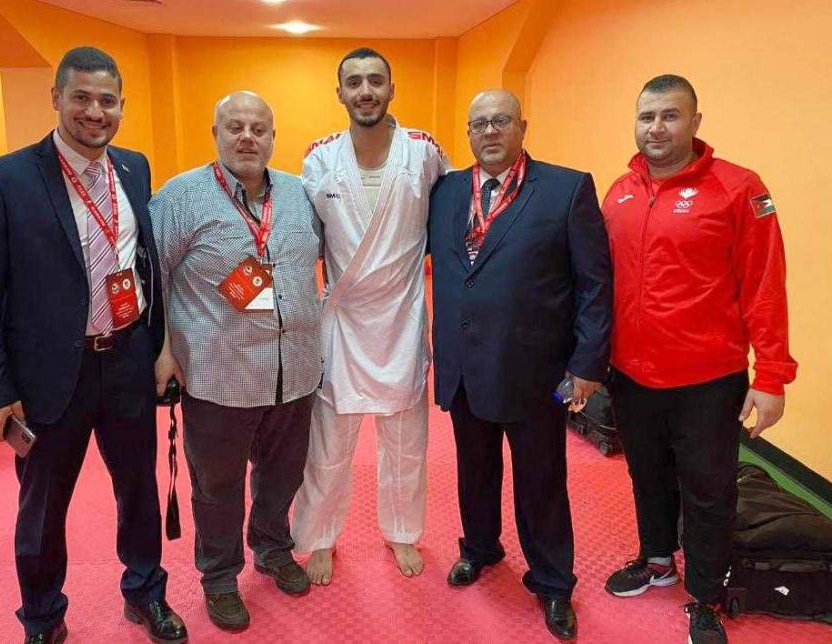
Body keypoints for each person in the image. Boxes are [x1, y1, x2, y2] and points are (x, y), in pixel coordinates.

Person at [0, 47, 187, 644]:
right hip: (48, 375)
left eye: (107, 100)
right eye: (81, 97)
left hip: (128, 360)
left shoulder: (134, 168)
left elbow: (146, 267)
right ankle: (42, 616)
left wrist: (160, 347)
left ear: (122, 106)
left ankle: (145, 591)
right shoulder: (6, 178)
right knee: (43, 508)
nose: (94, 111)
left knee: (138, 490)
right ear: (56, 98)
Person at [601, 74, 797, 644]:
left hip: (708, 380)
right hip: (631, 374)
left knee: (709, 491)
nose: (656, 128)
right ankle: (658, 559)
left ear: (695, 122)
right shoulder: (620, 191)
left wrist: (773, 375)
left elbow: (765, 286)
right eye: (647, 117)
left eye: (670, 115)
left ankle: (706, 595)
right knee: (647, 475)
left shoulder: (739, 189)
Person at [428, 89, 612, 641]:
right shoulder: (446, 190)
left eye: (501, 121)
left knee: (542, 479)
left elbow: (595, 284)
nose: (489, 131)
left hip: (537, 373)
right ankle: (480, 547)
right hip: (464, 366)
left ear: (522, 127)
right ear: (468, 132)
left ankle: (553, 581)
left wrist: (587, 364)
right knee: (473, 468)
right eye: (479, 123)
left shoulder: (566, 189)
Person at [150, 91, 322, 632]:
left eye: (258, 129)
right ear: (216, 133)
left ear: (272, 136)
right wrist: (162, 351)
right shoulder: (180, 197)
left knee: (284, 473)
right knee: (217, 486)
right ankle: (220, 576)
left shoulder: (299, 193)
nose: (248, 137)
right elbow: (152, 277)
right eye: (235, 127)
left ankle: (272, 548)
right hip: (219, 375)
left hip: (294, 369)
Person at [291, 47, 447, 585]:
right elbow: (302, 238)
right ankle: (318, 538)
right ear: (339, 93)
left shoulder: (424, 152)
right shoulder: (320, 159)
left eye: (375, 80)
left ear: (391, 89)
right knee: (328, 445)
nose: (365, 91)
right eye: (354, 82)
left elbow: (450, 220)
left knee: (406, 443)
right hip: (342, 322)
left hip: (401, 317)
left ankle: (402, 532)